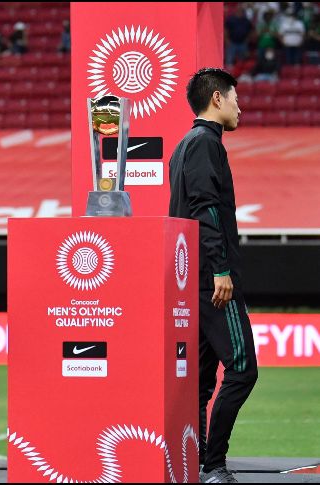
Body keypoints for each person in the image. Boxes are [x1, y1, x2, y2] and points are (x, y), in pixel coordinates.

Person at [168, 68, 258, 484]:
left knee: (201, 380)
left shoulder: (185, 144)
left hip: (193, 278)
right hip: (212, 280)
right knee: (242, 370)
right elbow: (206, 209)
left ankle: (197, 460)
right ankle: (214, 464)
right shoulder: (206, 144)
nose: (241, 107)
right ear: (217, 99)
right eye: (236, 98)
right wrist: (221, 268)